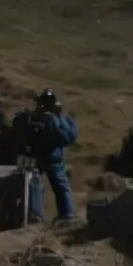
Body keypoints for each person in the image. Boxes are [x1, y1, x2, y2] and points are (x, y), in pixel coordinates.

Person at [15, 89, 79, 224]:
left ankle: (36, 217)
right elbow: (69, 137)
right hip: (53, 158)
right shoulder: (58, 119)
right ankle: (68, 215)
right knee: (60, 185)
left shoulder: (38, 117)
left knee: (35, 184)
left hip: (38, 157)